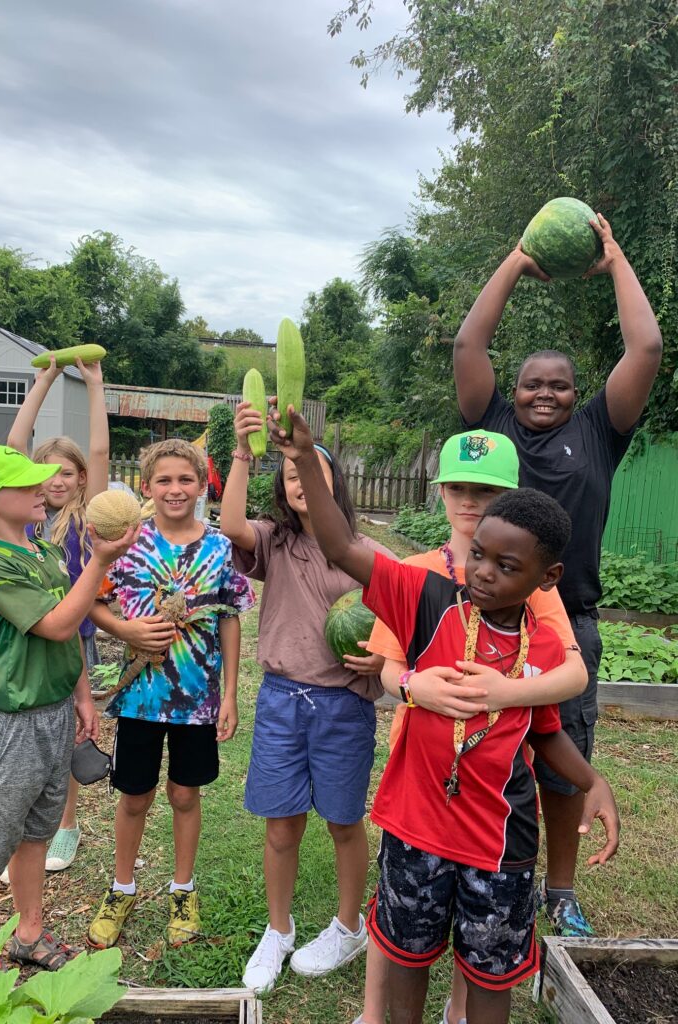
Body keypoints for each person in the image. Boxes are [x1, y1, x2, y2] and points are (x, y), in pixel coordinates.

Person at [268, 406, 620, 1024]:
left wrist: (593, 782)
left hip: (500, 844)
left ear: (548, 576)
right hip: (416, 827)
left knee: (490, 977)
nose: (483, 572)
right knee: (405, 958)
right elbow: (342, 544)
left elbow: (545, 732)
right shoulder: (425, 597)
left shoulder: (541, 643)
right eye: (479, 555)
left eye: (507, 566)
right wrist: (302, 458)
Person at [453, 212, 662, 938]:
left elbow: (648, 345)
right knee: (483, 753)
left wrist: (615, 260)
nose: (545, 394)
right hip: (488, 620)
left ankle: (562, 887)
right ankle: (484, 866)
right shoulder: (492, 423)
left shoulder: (600, 431)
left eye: (560, 386)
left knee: (565, 760)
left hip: (568, 625)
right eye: (533, 385)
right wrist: (515, 260)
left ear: (579, 394)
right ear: (514, 391)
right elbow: (468, 343)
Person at [358, 428, 588, 1024]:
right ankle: (374, 1013)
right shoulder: (418, 575)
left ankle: (458, 1013)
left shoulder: (529, 570)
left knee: (483, 944)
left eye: (486, 491)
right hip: (419, 779)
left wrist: (507, 692)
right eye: (459, 487)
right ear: (440, 492)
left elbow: (568, 674)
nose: (471, 501)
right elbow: (389, 670)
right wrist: (414, 686)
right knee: (402, 922)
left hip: (491, 801)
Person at [220, 401, 396, 995]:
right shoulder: (275, 543)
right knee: (280, 827)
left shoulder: (369, 555)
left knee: (344, 822)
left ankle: (350, 926)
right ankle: (279, 928)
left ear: (334, 483)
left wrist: (384, 659)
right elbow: (231, 526)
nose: (301, 481)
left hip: (345, 707)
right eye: (292, 473)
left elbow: (411, 623)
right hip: (281, 702)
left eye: (312, 471)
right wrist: (243, 452)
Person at [0, 445, 136, 968]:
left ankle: (29, 933)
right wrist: (99, 559)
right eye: (25, 484)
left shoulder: (43, 553)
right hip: (8, 726)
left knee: (35, 834)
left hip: (51, 715)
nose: (40, 488)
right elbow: (55, 623)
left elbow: (67, 632)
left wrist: (80, 696)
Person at [86, 439, 254, 949]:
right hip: (140, 697)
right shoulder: (127, 544)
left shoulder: (221, 548)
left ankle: (183, 889)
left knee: (185, 794)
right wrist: (126, 632)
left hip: (198, 698)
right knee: (134, 795)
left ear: (203, 486)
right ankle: (122, 888)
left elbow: (229, 620)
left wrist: (229, 694)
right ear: (146, 487)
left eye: (186, 480)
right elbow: (91, 603)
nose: (175, 489)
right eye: (164, 480)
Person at [5, 353, 110, 873]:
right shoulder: (24, 520)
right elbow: (12, 449)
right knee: (26, 733)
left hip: (74, 640)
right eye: (45, 474)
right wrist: (43, 381)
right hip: (27, 641)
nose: (55, 481)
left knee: (71, 728)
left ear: (81, 478)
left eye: (66, 473)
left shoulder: (87, 516)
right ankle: (30, 825)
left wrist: (93, 386)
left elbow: (99, 448)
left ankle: (67, 822)